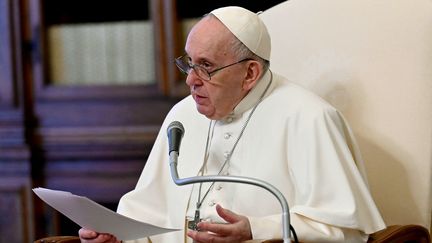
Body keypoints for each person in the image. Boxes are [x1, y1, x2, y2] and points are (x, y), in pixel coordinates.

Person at [79, 6, 386, 243]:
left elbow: (347, 230)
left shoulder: (309, 118)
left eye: (206, 67)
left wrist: (256, 229)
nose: (190, 80)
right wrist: (118, 234)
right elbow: (150, 211)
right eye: (188, 62)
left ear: (250, 73)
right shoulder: (182, 114)